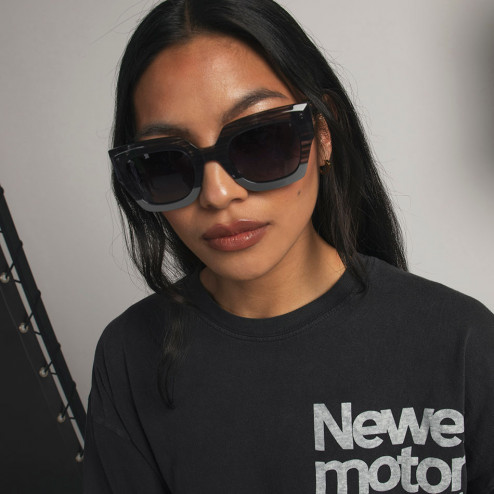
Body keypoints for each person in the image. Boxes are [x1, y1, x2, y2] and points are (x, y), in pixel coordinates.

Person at [82, 0, 494, 492]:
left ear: (323, 133)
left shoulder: (462, 343)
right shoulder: (129, 355)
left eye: (259, 140)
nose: (218, 194)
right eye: (166, 161)